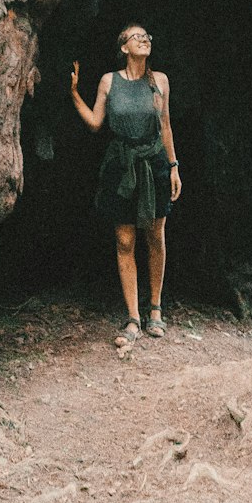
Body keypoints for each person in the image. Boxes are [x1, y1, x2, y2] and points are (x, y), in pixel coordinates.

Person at [70, 24, 182, 350]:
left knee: (155, 235)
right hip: (121, 166)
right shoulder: (109, 81)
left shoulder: (159, 81)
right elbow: (95, 123)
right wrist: (74, 93)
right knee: (124, 239)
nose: (145, 39)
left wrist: (174, 166)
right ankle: (134, 316)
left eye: (148, 36)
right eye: (137, 37)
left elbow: (165, 126)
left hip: (155, 163)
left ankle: (156, 308)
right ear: (124, 47)